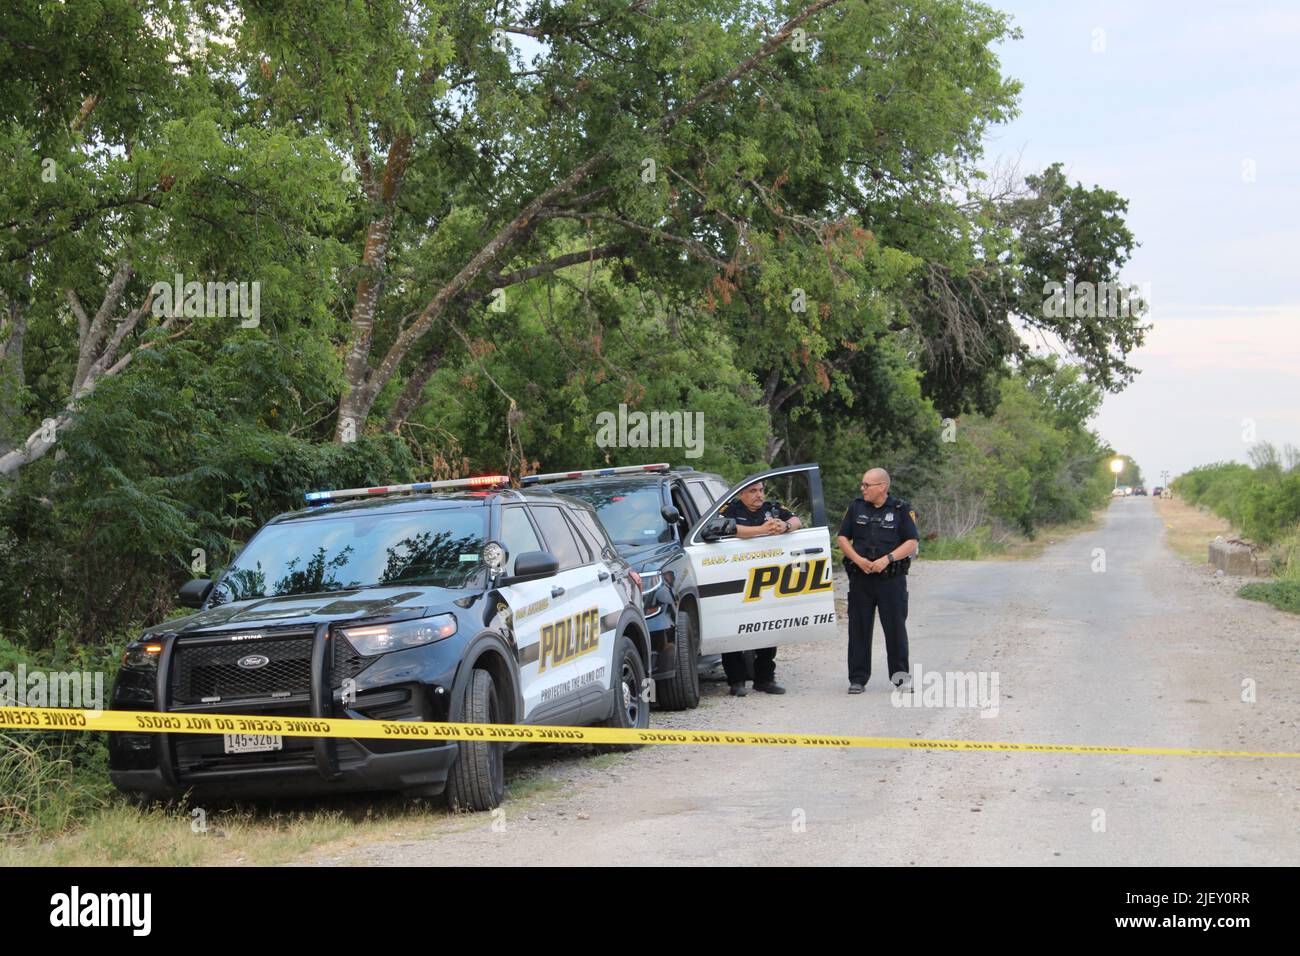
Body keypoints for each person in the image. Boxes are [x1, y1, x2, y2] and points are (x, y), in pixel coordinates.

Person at [836, 468, 918, 695]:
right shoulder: (855, 507)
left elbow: (912, 541)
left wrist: (887, 559)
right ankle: (858, 679)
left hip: (891, 579)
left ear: (882, 487)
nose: (862, 489)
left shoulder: (901, 510)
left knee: (895, 630)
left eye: (867, 485)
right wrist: (858, 560)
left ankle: (901, 679)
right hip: (861, 578)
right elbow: (842, 537)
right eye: (862, 485)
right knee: (858, 629)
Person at [719, 480, 802, 696]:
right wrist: (761, 530)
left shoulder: (772, 509)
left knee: (768, 627)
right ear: (742, 495)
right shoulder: (730, 510)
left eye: (761, 490)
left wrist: (786, 526)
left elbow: (796, 520)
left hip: (766, 579)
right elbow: (728, 529)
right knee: (735, 628)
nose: (759, 495)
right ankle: (736, 681)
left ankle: (764, 679)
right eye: (753, 491)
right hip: (736, 577)